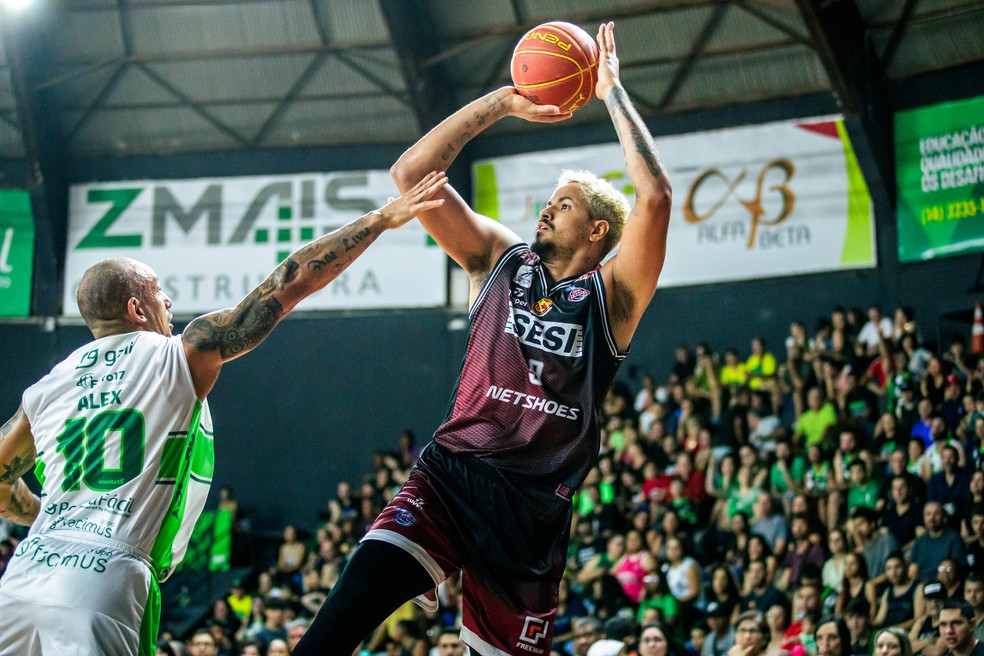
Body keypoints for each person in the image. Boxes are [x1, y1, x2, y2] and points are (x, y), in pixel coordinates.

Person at [294, 22, 673, 656]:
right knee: (338, 622)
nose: (547, 209)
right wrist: (503, 101)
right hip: (451, 477)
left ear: (599, 230)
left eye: (566, 203)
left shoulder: (615, 296)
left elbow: (656, 196)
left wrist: (610, 93)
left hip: (531, 513)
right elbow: (413, 172)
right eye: (551, 201)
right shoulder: (497, 258)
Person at [0, 173, 448, 656]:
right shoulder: (176, 354)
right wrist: (379, 219)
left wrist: (42, 512)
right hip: (105, 578)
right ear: (135, 307)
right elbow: (285, 284)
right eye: (156, 292)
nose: (167, 301)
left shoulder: (46, 388)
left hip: (25, 575)